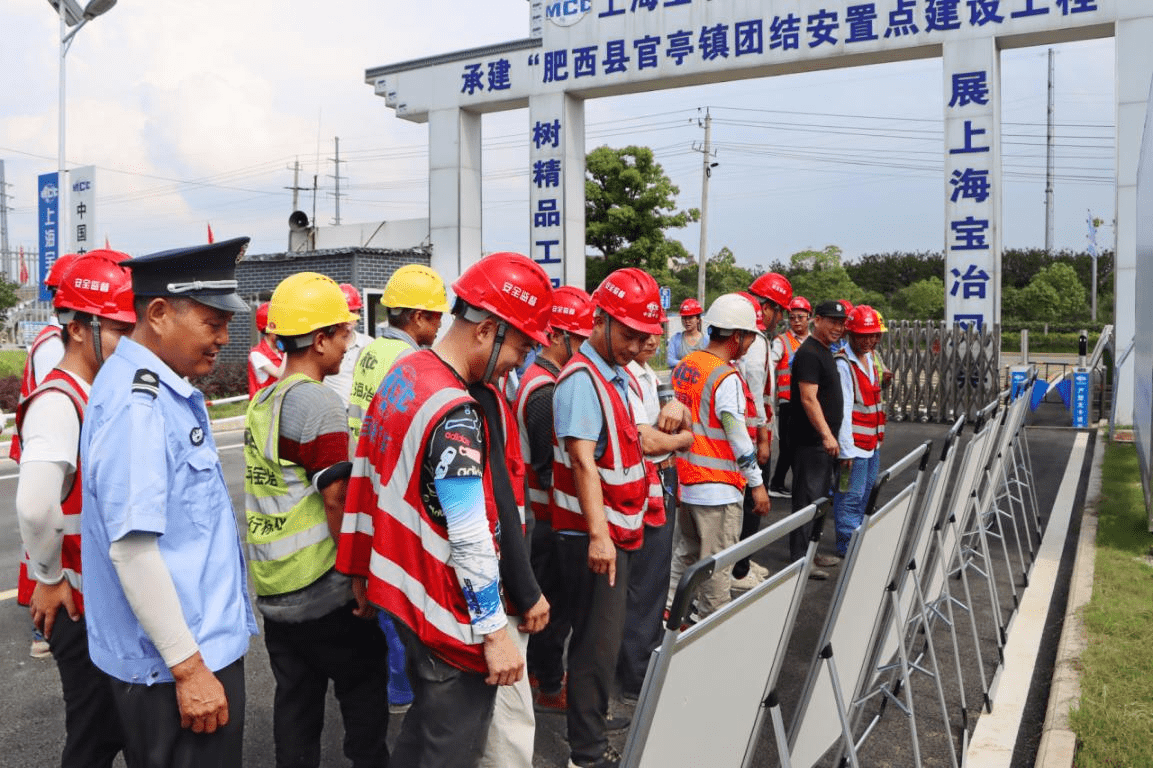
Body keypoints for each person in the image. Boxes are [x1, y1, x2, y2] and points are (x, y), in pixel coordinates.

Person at [337, 252, 552, 768]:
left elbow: (366, 473)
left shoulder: (407, 372)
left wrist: (359, 570)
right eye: (521, 345)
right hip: (446, 614)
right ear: (489, 330)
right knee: (451, 747)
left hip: (402, 595)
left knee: (425, 732)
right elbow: (471, 532)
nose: (518, 362)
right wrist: (496, 633)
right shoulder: (456, 412)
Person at [80, 237, 259, 767]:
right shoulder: (142, 406)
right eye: (212, 322)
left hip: (187, 652)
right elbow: (132, 552)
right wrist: (190, 670)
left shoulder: (157, 387)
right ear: (158, 313)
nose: (225, 337)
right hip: (178, 665)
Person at [245, 272, 390, 768]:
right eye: (344, 333)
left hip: (275, 591)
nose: (350, 344)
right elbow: (337, 499)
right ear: (319, 338)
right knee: (366, 689)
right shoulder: (318, 403)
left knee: (297, 707)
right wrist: (359, 577)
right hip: (322, 590)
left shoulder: (266, 399)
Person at [15, 251, 135, 766]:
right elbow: (37, 506)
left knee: (109, 731)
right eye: (118, 328)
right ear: (81, 328)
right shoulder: (60, 400)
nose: (128, 340)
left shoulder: (93, 390)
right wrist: (49, 576)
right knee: (92, 738)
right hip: (77, 606)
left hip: (98, 603)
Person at [551, 267, 668, 768]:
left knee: (603, 642)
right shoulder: (582, 379)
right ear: (599, 320)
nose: (636, 344)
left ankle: (590, 737)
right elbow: (581, 460)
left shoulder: (612, 376)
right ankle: (587, 754)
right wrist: (600, 536)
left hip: (612, 531)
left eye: (645, 336)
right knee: (596, 650)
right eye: (628, 333)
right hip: (590, 536)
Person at [515, 285, 595, 714]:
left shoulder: (539, 378)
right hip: (545, 516)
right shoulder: (545, 390)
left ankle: (536, 673)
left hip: (539, 513)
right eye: (580, 339)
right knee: (553, 607)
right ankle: (549, 684)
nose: (584, 348)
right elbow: (548, 469)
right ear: (559, 335)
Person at [667, 294, 768, 618]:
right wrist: (757, 483)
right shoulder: (726, 378)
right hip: (718, 489)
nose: (752, 343)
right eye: (750, 335)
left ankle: (669, 613)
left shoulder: (687, 366)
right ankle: (711, 625)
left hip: (689, 481)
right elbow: (737, 436)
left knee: (685, 555)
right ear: (737, 336)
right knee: (716, 567)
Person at [618, 330, 692, 701]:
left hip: (658, 480)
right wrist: (682, 440)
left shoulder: (651, 375)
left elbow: (681, 417)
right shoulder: (623, 376)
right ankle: (634, 676)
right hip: (643, 483)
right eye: (640, 334)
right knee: (644, 584)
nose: (649, 342)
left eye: (655, 334)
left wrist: (679, 414)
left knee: (652, 579)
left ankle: (637, 663)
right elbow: (646, 440)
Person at [13, 252, 78, 659]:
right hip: (52, 448)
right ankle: (45, 628)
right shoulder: (55, 344)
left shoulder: (53, 338)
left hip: (45, 447)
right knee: (49, 537)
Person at [348, 264, 450, 448]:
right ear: (418, 317)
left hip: (359, 458)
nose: (440, 324)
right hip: (384, 464)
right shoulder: (411, 360)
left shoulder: (369, 349)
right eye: (438, 316)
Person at [788, 300, 849, 580]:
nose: (838, 327)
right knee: (807, 500)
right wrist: (826, 433)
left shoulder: (825, 351)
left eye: (841, 322)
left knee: (820, 499)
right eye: (832, 321)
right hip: (811, 442)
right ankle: (801, 558)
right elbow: (808, 398)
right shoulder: (809, 353)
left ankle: (812, 551)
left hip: (824, 443)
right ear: (817, 320)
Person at [832, 305, 888, 558]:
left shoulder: (871, 359)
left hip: (871, 443)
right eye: (863, 335)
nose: (869, 340)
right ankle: (846, 542)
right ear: (850, 335)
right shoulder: (843, 364)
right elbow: (842, 410)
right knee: (849, 496)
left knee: (866, 493)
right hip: (853, 446)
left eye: (873, 335)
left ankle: (857, 535)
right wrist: (845, 451)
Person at [768, 296, 811, 498]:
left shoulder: (813, 341)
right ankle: (780, 484)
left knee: (801, 445)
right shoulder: (782, 341)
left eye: (800, 317)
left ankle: (781, 483)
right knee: (788, 445)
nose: (796, 321)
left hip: (809, 401)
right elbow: (770, 364)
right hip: (788, 402)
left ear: (809, 318)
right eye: (792, 317)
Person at [323, 283, 372, 412]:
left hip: (357, 414)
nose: (349, 318)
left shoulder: (368, 344)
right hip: (331, 412)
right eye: (345, 312)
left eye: (353, 311)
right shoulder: (323, 344)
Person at [247, 301, 284, 398]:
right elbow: (280, 374)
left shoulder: (280, 352)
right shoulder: (257, 354)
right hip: (264, 409)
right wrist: (288, 348)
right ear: (270, 328)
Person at [665, 298, 705, 366]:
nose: (687, 321)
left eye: (690, 317)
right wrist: (689, 363)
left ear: (698, 319)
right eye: (684, 318)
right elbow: (670, 361)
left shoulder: (707, 340)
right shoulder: (675, 339)